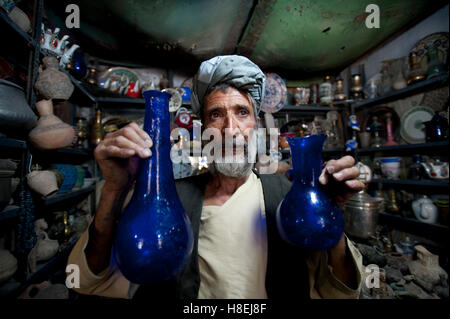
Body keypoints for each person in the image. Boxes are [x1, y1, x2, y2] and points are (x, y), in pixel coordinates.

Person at [68, 55, 365, 299]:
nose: (230, 130)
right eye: (215, 115)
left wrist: (331, 216)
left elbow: (341, 291)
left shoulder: (290, 201)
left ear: (257, 127)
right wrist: (114, 190)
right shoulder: (166, 202)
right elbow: (86, 280)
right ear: (202, 130)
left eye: (241, 112)